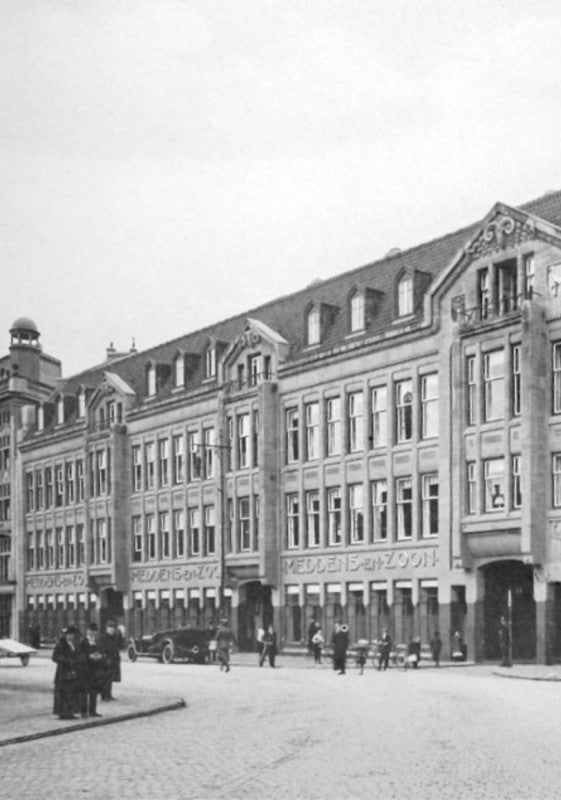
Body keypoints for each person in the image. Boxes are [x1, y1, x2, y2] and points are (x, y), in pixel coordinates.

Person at [77, 622, 104, 718]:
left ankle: (93, 711)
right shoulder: (82, 643)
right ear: (87, 631)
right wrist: (89, 657)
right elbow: (80, 655)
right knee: (84, 692)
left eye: (94, 631)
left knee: (94, 692)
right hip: (85, 671)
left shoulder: (98, 642)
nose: (92, 633)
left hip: (95, 671)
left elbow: (102, 652)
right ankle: (83, 711)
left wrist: (101, 656)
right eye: (91, 631)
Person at [52, 625, 80, 720]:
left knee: (71, 693)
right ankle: (62, 713)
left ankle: (70, 712)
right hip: (62, 673)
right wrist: (66, 660)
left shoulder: (74, 645)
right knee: (63, 693)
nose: (70, 636)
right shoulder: (61, 645)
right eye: (69, 634)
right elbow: (55, 657)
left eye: (72, 634)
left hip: (72, 673)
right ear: (65, 635)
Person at [99, 620, 122, 700]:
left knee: (110, 679)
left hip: (113, 661)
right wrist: (105, 658)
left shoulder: (115, 637)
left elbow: (118, 647)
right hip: (106, 661)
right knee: (105, 679)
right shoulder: (103, 637)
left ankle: (109, 695)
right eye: (110, 628)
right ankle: (104, 696)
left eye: (112, 628)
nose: (111, 630)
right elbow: (101, 649)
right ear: (106, 629)